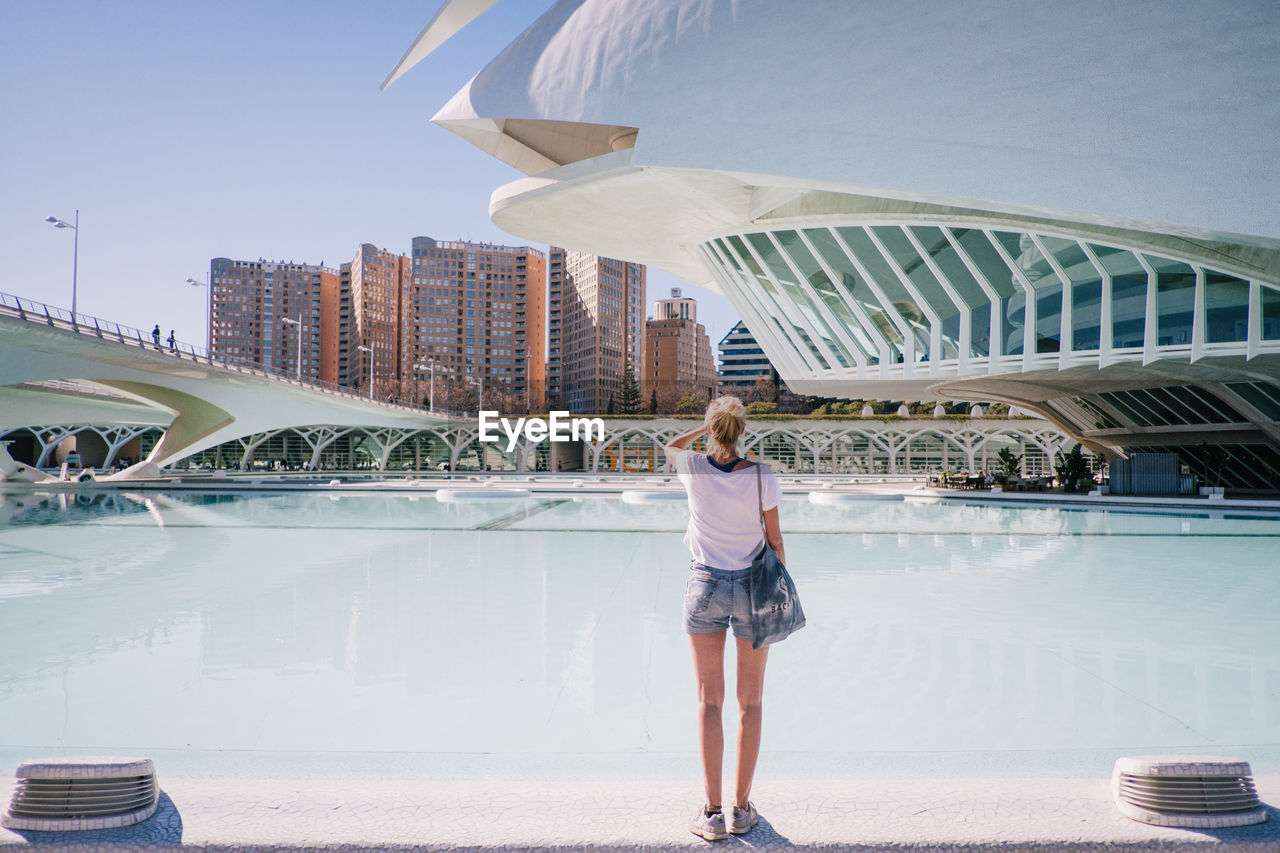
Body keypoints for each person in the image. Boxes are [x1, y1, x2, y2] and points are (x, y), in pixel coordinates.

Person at [663, 395, 784, 841]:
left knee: (708, 701)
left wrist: (703, 430)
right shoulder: (761, 476)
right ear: (743, 431)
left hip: (705, 587)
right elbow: (775, 541)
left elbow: (671, 445)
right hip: (754, 587)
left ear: (713, 430)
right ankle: (741, 810)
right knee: (749, 703)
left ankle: (712, 814)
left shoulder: (693, 469)